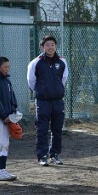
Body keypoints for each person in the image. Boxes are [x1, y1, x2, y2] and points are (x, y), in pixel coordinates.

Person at [27, 35, 68, 166]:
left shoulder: (62, 61)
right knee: (42, 129)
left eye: (52, 45)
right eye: (47, 45)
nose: (50, 47)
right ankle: (42, 156)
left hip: (58, 101)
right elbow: (31, 81)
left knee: (57, 129)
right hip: (42, 102)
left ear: (56, 46)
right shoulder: (36, 62)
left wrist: (56, 91)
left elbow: (63, 79)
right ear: (42, 47)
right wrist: (41, 92)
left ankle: (54, 154)